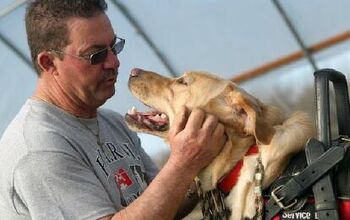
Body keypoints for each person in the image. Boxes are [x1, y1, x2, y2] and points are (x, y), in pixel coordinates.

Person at [0, 0, 226, 219]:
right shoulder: (38, 148)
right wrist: (185, 161)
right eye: (96, 55)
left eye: (114, 47)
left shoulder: (113, 123)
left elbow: (164, 204)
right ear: (49, 63)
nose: (114, 63)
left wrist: (210, 162)